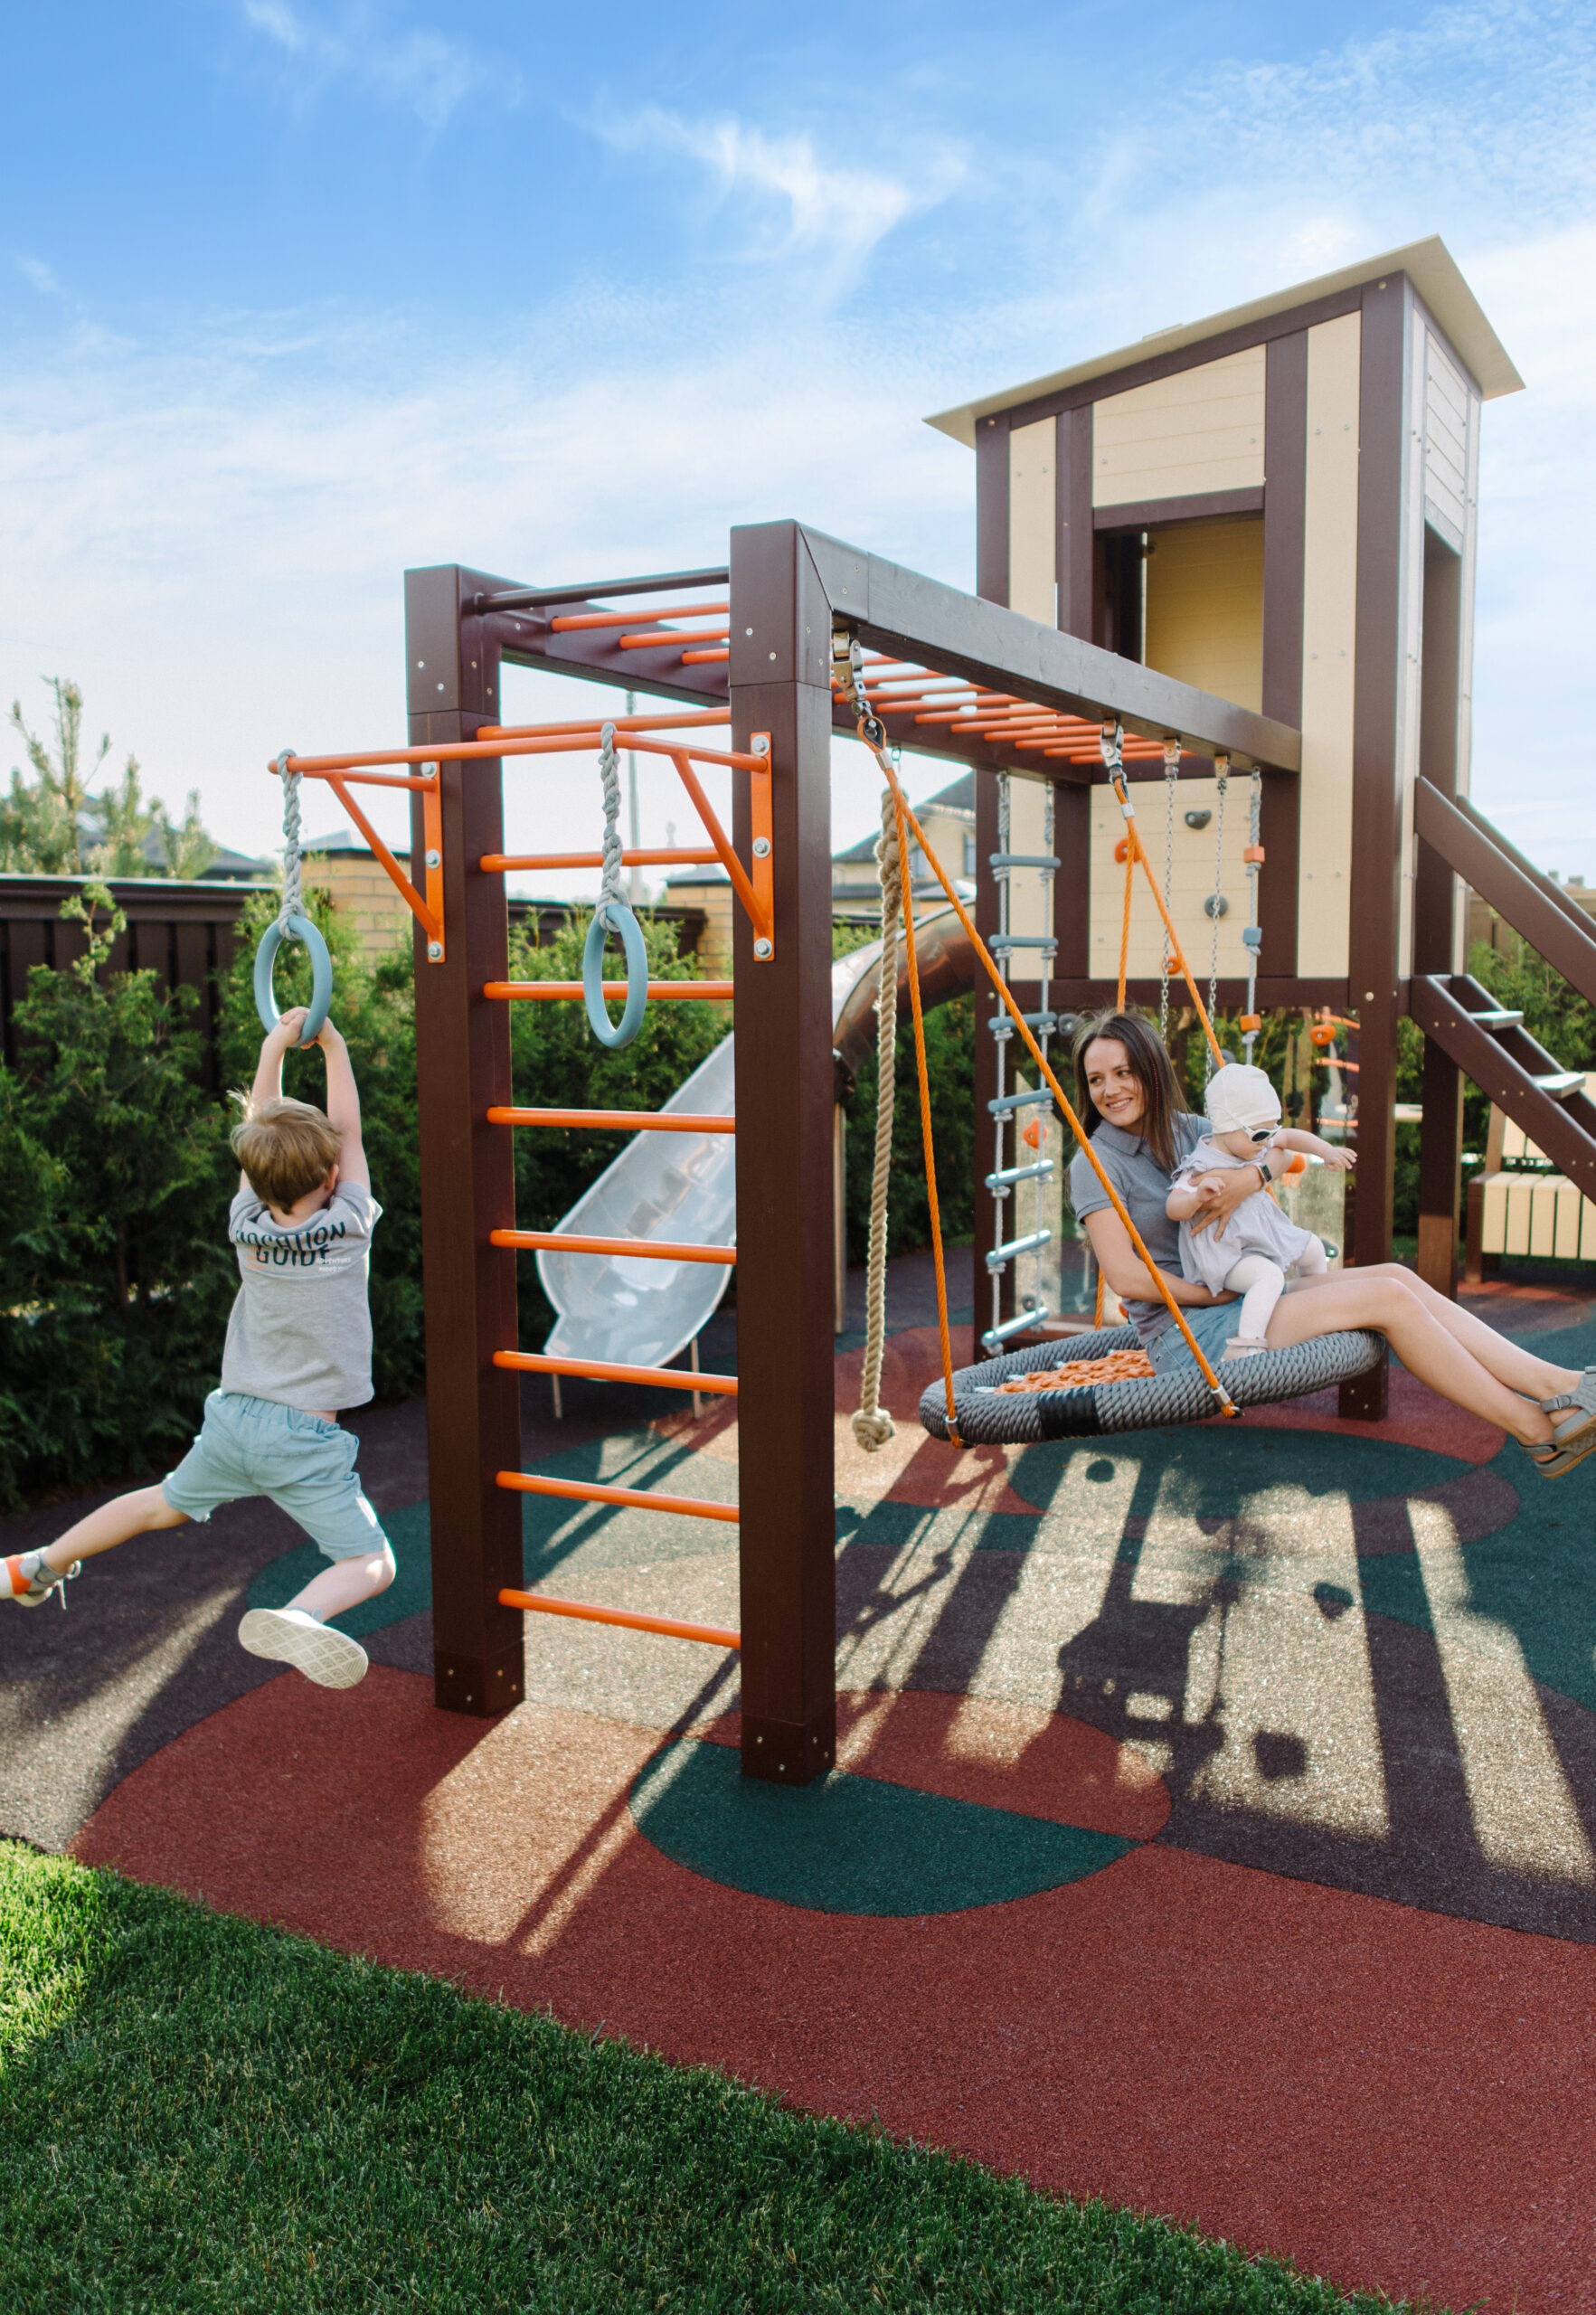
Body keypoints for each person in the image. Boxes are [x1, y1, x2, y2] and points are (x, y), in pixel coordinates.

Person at [4, 1006, 397, 1677]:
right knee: (370, 1561)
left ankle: (35, 1565)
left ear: (256, 1175)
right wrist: (331, 1044)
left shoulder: (246, 1223)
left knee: (160, 1505)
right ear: (332, 1174)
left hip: (233, 1421)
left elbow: (262, 1126)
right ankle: (302, 1614)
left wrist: (274, 1047)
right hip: (302, 1440)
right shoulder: (349, 1225)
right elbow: (349, 1130)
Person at [1067, 1007, 1596, 1477]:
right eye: (1096, 1080)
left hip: (1240, 1292)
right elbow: (1126, 1277)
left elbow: (1273, 1148)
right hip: (1188, 1331)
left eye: (1123, 1072)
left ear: (1152, 1072)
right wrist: (1212, 1295)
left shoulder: (1190, 1129)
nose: (1110, 1090)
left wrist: (1249, 1181)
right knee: (1388, 1299)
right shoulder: (1094, 1164)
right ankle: (1535, 1427)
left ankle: (1560, 1384)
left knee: (1397, 1275)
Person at [1165, 1060, 1353, 1357]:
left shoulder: (1253, 1140)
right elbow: (1174, 1207)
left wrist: (1326, 1150)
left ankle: (1316, 1310)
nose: (1266, 1142)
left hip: (1263, 1235)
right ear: (1226, 1126)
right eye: (1259, 1135)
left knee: (1314, 1249)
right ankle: (1246, 1347)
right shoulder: (1202, 1165)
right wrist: (1198, 1196)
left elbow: (1289, 1138)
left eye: (1270, 1131)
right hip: (1228, 1254)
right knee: (1269, 1276)